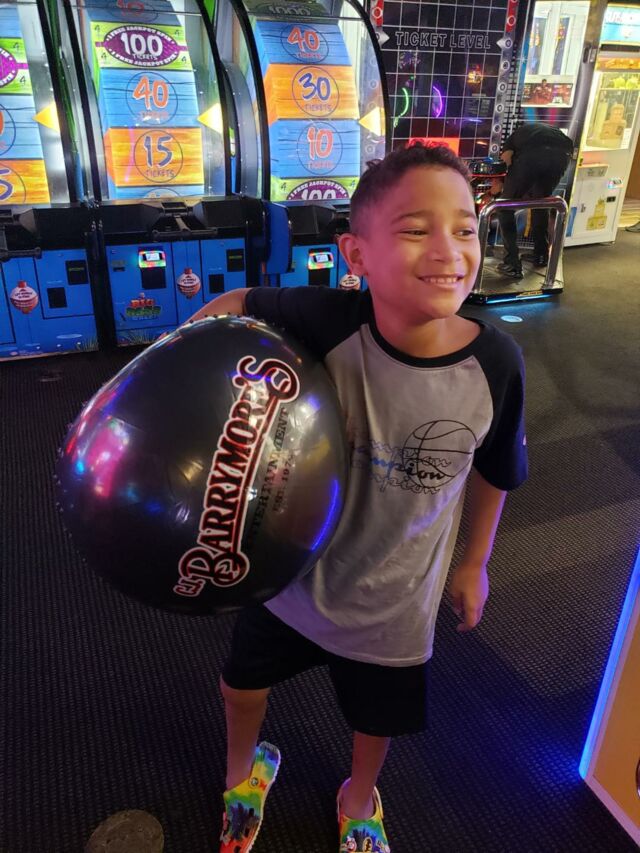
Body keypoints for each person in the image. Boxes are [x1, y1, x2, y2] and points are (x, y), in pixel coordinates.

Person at [188, 143, 528, 853]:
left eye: (465, 228)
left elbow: (497, 468)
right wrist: (175, 367)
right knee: (240, 687)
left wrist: (474, 563)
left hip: (394, 602)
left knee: (376, 722)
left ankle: (358, 796)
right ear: (356, 253)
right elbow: (235, 305)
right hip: (291, 580)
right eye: (415, 229)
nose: (448, 250)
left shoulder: (496, 362)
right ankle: (241, 775)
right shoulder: (328, 320)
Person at [497, 121, 574, 278]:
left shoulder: (512, 139)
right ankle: (541, 255)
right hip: (563, 155)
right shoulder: (540, 130)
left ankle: (512, 263)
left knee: (504, 207)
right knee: (541, 201)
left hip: (533, 154)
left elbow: (506, 161)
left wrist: (504, 186)